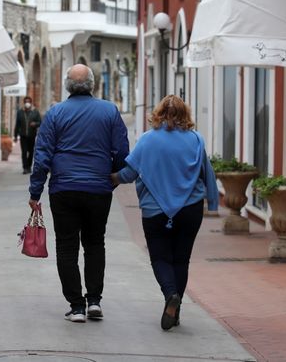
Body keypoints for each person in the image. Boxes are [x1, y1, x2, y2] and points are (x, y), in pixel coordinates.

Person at [28, 64, 129, 323]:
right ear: (92, 84)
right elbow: (121, 150)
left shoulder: (55, 114)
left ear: (67, 85)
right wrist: (114, 177)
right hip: (98, 188)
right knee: (95, 243)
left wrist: (35, 191)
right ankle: (94, 300)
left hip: (64, 189)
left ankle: (76, 306)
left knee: (67, 246)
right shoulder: (109, 111)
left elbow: (42, 156)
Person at [111, 94, 218, 331]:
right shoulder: (196, 140)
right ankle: (175, 311)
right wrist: (212, 202)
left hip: (155, 211)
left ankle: (171, 295)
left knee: (160, 257)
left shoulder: (148, 140)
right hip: (190, 210)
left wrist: (110, 179)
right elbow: (206, 172)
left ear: (158, 114)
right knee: (181, 259)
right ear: (185, 115)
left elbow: (129, 174)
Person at [14, 96, 41, 174]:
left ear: (31, 103)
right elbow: (17, 124)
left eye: (28, 101)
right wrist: (15, 136)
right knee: (24, 152)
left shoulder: (35, 111)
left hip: (32, 135)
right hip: (23, 136)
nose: (27, 103)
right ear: (24, 103)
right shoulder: (20, 112)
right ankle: (25, 168)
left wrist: (35, 124)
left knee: (31, 152)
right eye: (26, 102)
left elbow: (40, 122)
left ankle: (29, 166)